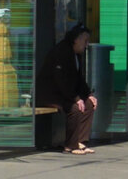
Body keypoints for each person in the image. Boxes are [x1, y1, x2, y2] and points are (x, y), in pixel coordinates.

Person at [37, 22, 99, 156]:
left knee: (89, 104)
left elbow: (78, 78)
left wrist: (89, 95)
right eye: (85, 41)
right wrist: (75, 98)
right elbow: (61, 81)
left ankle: (81, 141)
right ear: (76, 40)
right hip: (50, 94)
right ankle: (71, 145)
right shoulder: (61, 52)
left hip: (64, 94)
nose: (87, 44)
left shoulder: (76, 54)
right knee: (75, 108)